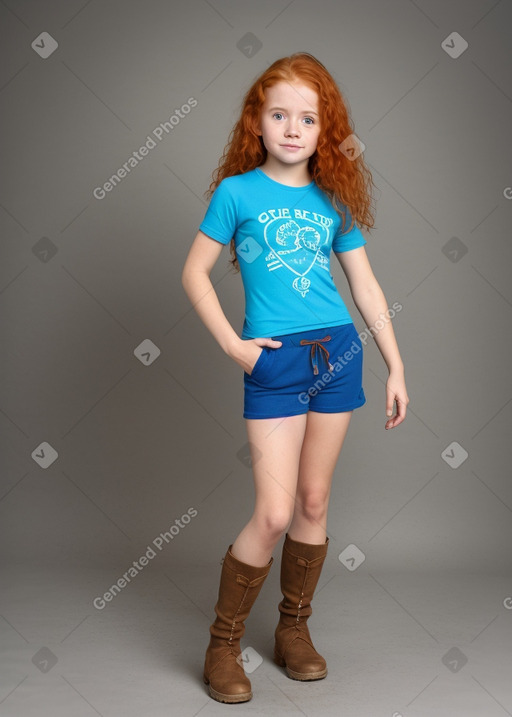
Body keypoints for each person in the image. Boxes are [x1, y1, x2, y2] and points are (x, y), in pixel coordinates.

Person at [181, 52, 409, 704]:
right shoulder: (236, 193)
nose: (291, 128)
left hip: (337, 353)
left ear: (323, 128)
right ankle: (223, 642)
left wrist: (397, 362)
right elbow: (192, 272)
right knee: (275, 509)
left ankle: (293, 631)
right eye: (279, 114)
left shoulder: (332, 199)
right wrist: (233, 344)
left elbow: (363, 284)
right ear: (258, 120)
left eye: (306, 118)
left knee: (312, 502)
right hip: (273, 360)